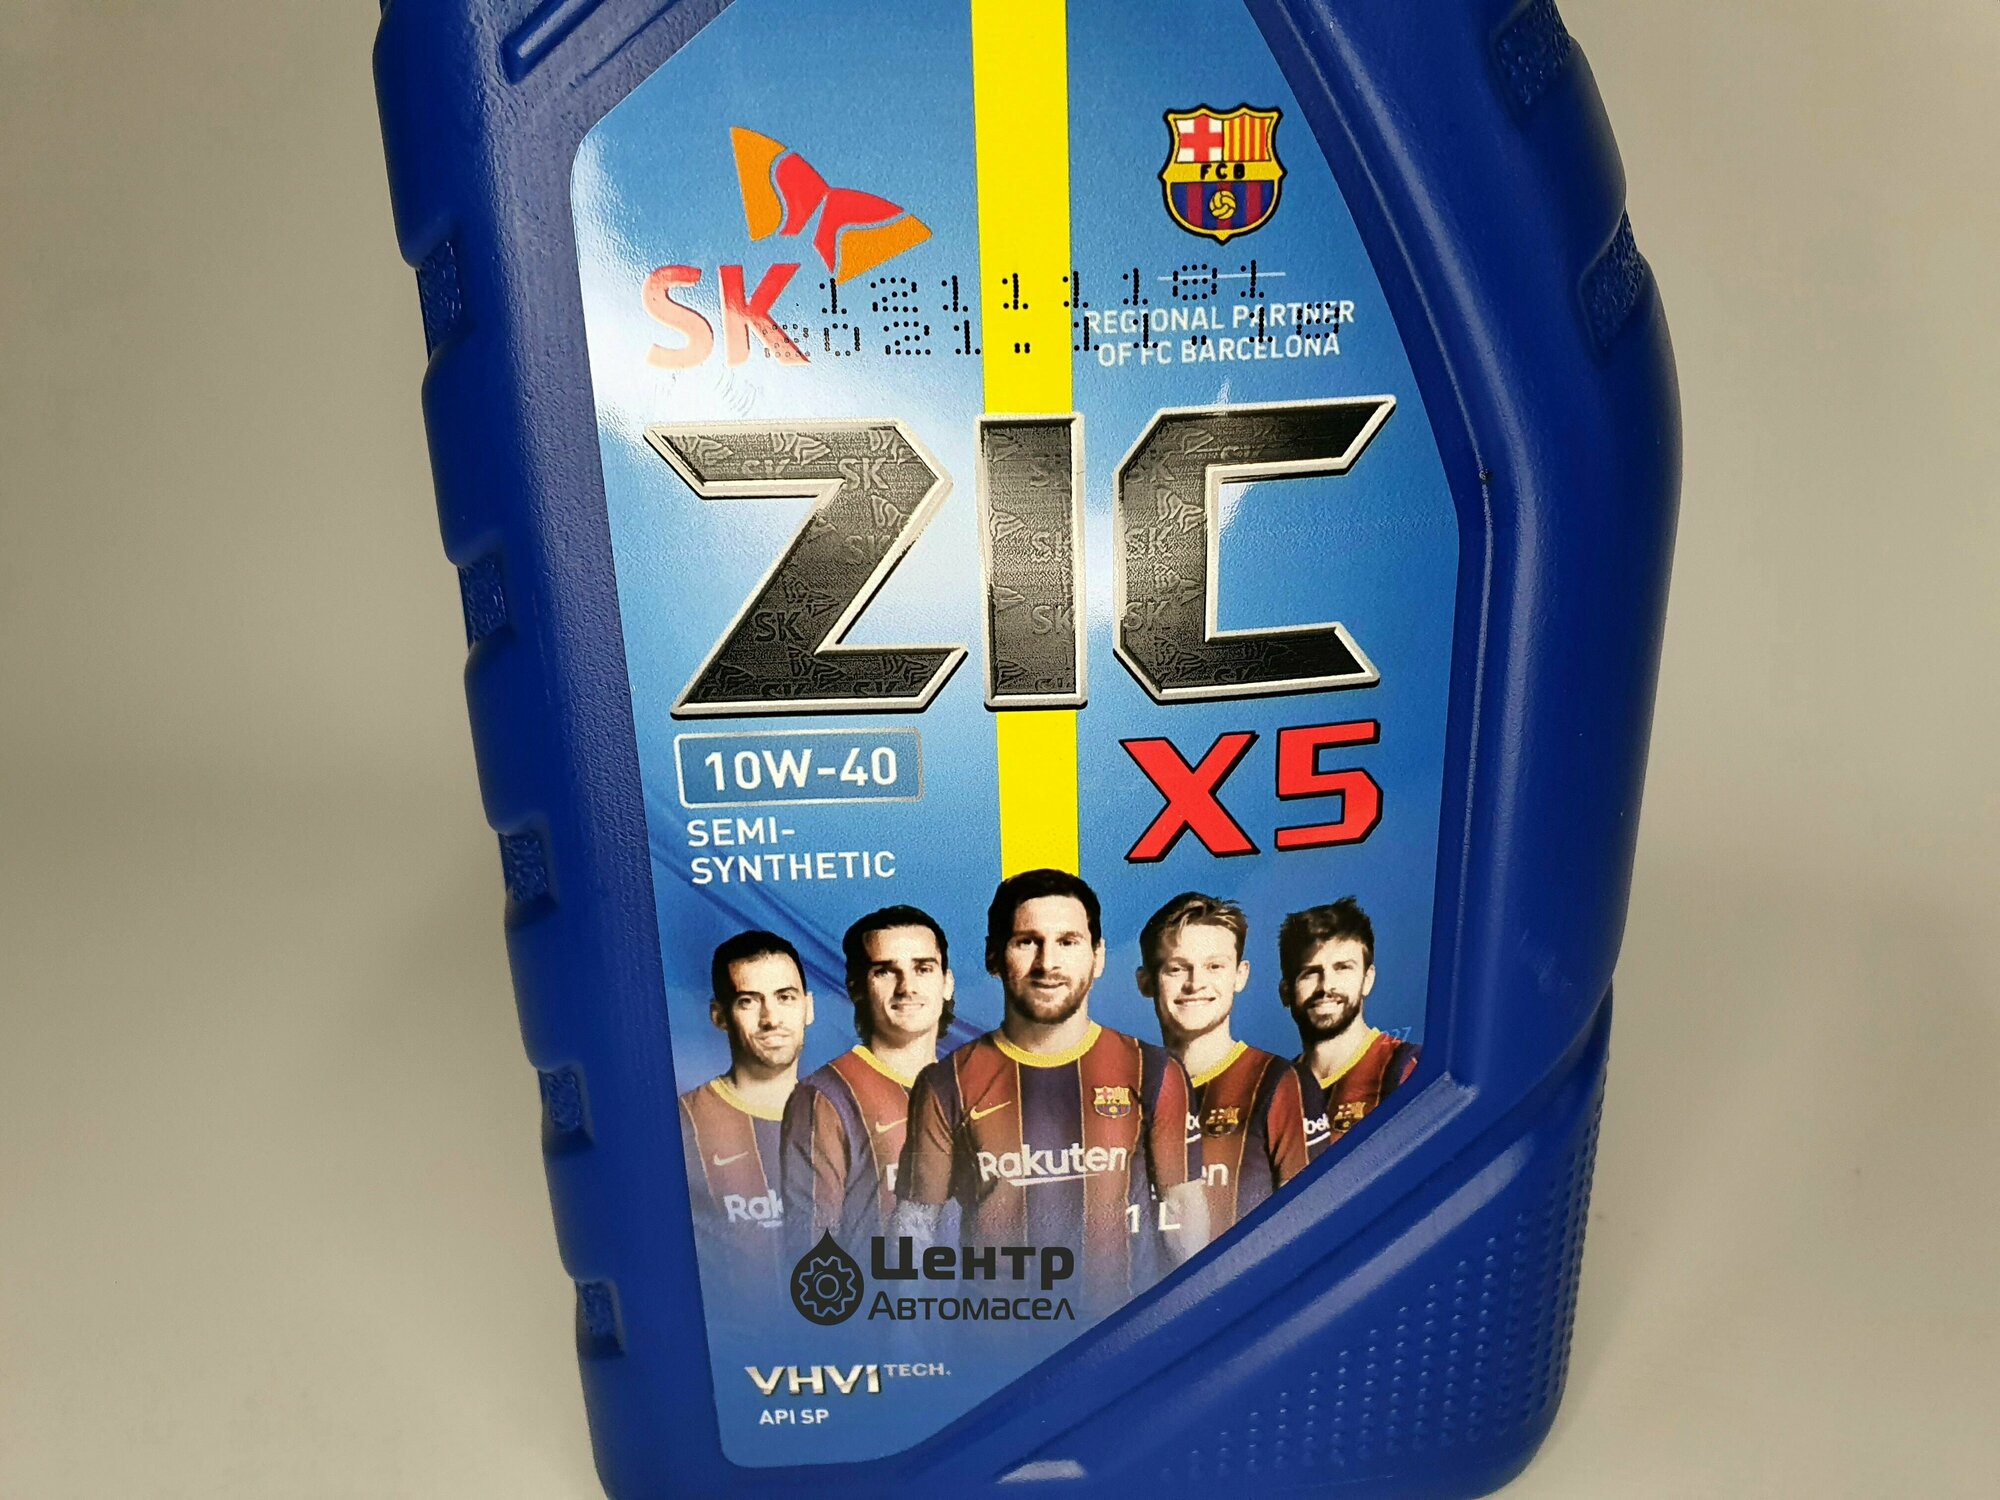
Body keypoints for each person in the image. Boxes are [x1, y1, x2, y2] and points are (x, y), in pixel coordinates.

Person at [896, 870, 1208, 1316]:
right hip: (993, 1344)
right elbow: (916, 1226)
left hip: (1123, 1339)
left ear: (1098, 957)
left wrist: (1197, 1318)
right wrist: (905, 1336)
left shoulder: (1154, 1071)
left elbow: (1183, 1209)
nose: (1048, 963)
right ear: (993, 956)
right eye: (1027, 942)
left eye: (1068, 941)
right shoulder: (946, 1082)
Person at [782, 905, 954, 1256]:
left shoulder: (973, 1085)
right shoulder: (824, 1096)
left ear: (946, 983)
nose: (907, 987)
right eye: (885, 972)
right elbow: (810, 1255)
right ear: (856, 988)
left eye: (923, 968)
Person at [1137, 891, 1312, 1234]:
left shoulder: (1280, 1082)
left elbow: (1310, 1223)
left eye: (1214, 966)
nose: (1195, 983)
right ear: (1145, 982)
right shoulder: (1126, 1085)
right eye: (1176, 968)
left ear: (1240, 975)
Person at [678, 930, 813, 1289]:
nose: (771, 1018)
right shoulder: (681, 1126)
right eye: (748, 1001)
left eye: (785, 997)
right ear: (719, 1016)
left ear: (808, 1008)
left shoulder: (847, 1115)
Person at [1279, 898, 1419, 1157]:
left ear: (1368, 979)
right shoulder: (1272, 1090)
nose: (1326, 986)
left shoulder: (1407, 1069)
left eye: (1343, 968)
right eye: (1310, 972)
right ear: (1285, 992)